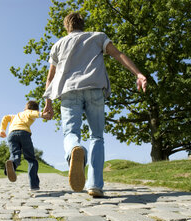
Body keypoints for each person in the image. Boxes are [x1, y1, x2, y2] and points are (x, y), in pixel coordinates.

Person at [42, 12, 147, 198]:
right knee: (97, 136)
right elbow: (117, 54)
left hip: (68, 91)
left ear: (67, 26)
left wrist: (47, 102)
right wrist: (138, 74)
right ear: (83, 24)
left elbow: (50, 77)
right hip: (95, 89)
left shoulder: (57, 45)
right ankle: (95, 185)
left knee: (71, 133)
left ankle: (75, 149)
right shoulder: (98, 36)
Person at [0, 100, 48, 191]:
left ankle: (12, 164)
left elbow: (5, 117)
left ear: (25, 107)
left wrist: (2, 130)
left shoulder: (15, 116)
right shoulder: (28, 112)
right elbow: (32, 113)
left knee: (15, 154)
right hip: (24, 133)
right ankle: (34, 185)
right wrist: (42, 115)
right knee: (31, 159)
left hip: (11, 135)